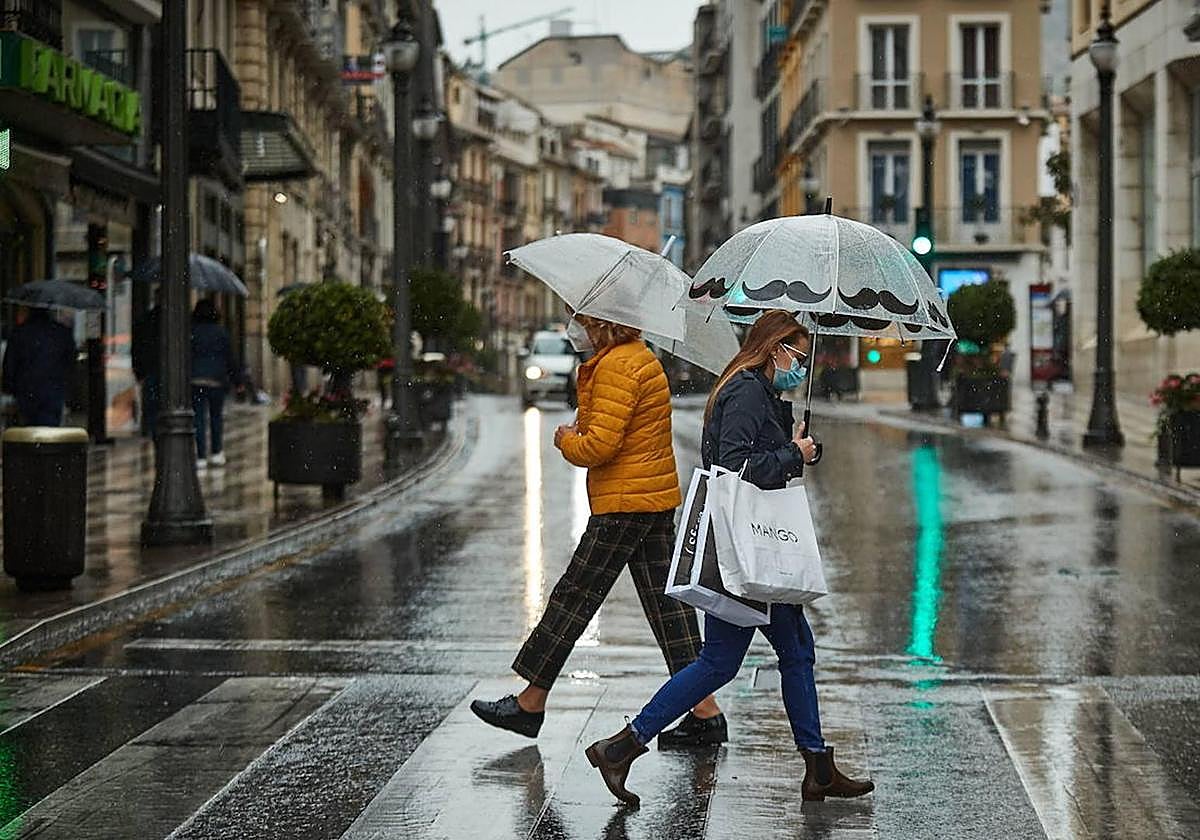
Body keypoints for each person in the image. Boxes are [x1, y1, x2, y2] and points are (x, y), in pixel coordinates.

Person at [584, 310, 874, 807]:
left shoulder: (760, 392)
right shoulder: (743, 391)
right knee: (732, 660)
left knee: (784, 652)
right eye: (798, 357)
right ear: (774, 348)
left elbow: (758, 453)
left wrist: (798, 443)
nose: (801, 367)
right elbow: (733, 465)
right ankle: (622, 746)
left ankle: (815, 765)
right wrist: (791, 456)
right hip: (745, 553)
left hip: (754, 551)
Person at [471, 311, 725, 746]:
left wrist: (567, 438)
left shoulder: (617, 365)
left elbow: (600, 446)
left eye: (585, 322)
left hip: (625, 503)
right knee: (668, 608)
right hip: (652, 497)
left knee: (575, 595)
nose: (578, 329)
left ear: (606, 325)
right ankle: (705, 711)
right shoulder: (638, 357)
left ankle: (530, 703)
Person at [1, 307, 76, 427]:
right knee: (50, 426)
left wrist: (8, 388)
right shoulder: (62, 332)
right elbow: (70, 362)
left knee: (29, 426)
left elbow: (10, 363)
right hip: (54, 388)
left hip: (26, 389)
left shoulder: (20, 332)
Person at [190, 299, 241, 469]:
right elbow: (230, 359)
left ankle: (201, 456)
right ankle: (217, 452)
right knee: (216, 417)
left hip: (196, 380)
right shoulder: (221, 333)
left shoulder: (192, 332)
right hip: (216, 381)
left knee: (198, 418)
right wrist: (237, 381)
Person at [131, 288, 162, 438]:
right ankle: (157, 432)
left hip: (150, 370)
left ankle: (152, 432)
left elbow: (137, 347)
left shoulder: (145, 320)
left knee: (151, 406)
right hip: (168, 372)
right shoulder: (177, 321)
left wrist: (138, 370)